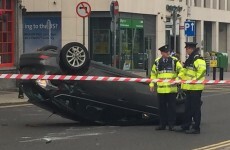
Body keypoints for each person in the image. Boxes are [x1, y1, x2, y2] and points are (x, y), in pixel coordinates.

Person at [149, 45, 183, 131]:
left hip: (171, 89)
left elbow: (182, 71)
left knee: (172, 108)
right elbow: (153, 74)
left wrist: (177, 79)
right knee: (162, 108)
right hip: (161, 89)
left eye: (168, 51)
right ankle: (162, 125)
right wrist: (152, 84)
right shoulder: (157, 62)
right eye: (165, 52)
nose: (167, 53)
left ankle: (171, 125)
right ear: (162, 53)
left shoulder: (174, 61)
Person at [175, 42, 206, 134]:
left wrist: (194, 79)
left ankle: (196, 128)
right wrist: (178, 78)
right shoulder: (190, 59)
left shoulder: (197, 58)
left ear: (191, 49)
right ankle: (186, 125)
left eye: (187, 49)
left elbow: (202, 70)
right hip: (189, 88)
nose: (186, 50)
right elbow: (184, 70)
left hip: (196, 87)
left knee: (195, 108)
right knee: (187, 108)